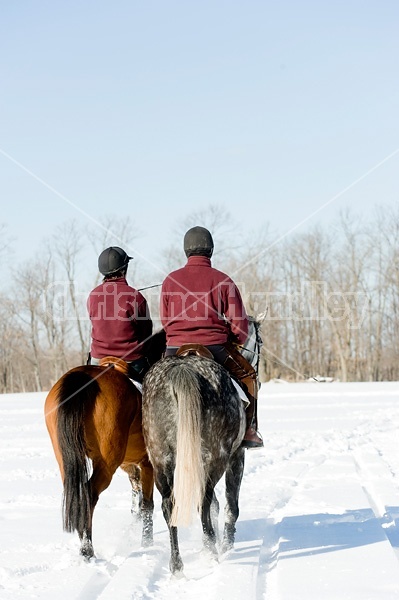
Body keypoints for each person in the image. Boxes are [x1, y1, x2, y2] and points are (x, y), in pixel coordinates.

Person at [160, 226, 263, 448]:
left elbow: (165, 320)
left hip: (173, 349)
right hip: (215, 347)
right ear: (211, 250)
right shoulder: (223, 280)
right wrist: (234, 339)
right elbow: (240, 325)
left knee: (153, 382)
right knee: (249, 376)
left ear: (186, 250)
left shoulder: (170, 280)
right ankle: (249, 429)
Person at [87, 246, 153, 382]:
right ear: (124, 269)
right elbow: (146, 332)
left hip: (98, 359)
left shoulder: (93, 296)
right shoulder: (135, 296)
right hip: (131, 360)